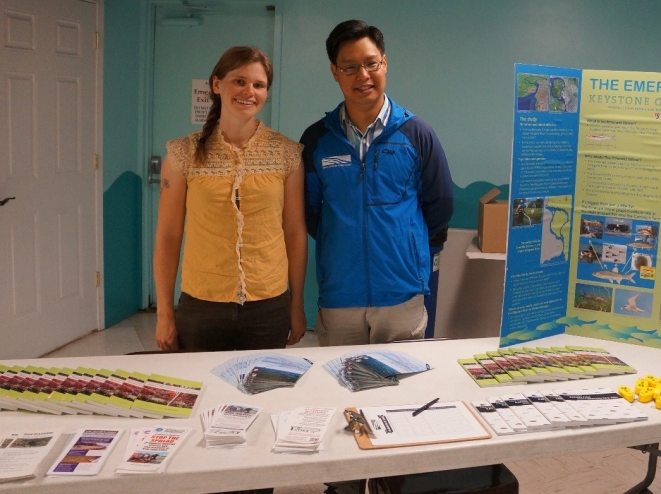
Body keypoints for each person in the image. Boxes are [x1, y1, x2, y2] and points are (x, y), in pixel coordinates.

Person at [301, 20, 454, 346]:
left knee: (402, 387)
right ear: (334, 71)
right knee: (339, 384)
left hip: (402, 293)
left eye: (371, 63)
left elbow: (439, 206)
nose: (363, 75)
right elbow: (309, 211)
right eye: (350, 67)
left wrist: (405, 247)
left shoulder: (417, 134)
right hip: (340, 294)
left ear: (384, 63)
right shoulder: (317, 139)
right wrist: (341, 240)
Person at [155, 46, 307, 353]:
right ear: (216, 85)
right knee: (202, 395)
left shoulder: (287, 153)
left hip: (269, 305)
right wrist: (164, 313)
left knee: (263, 393)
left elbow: (294, 233)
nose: (248, 91)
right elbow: (169, 237)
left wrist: (297, 304)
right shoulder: (182, 153)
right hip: (202, 306)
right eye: (239, 81)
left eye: (258, 85)